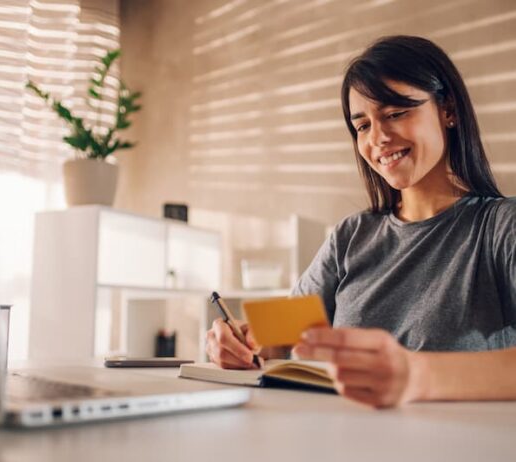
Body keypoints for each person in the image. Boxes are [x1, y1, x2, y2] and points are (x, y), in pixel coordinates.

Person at [205, 35, 516, 408]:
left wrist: (417, 375)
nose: (379, 138)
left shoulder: (501, 227)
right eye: (363, 126)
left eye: (396, 113)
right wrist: (237, 341)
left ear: (448, 110)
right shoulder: (350, 236)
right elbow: (277, 338)